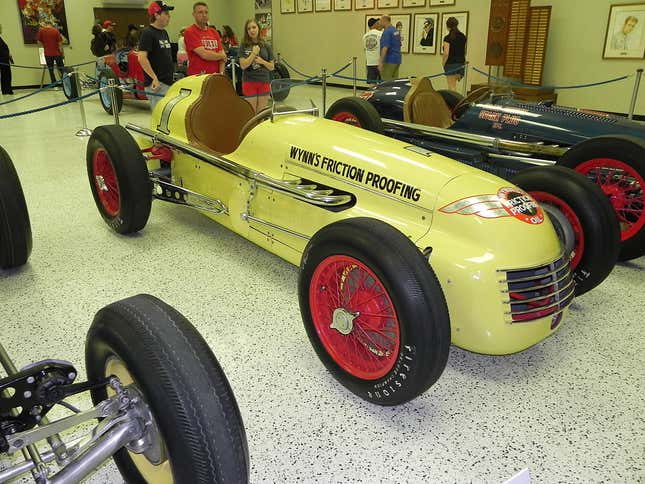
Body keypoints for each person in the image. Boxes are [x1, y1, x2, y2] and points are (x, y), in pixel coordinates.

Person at [138, 1, 175, 111]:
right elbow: (141, 57)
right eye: (166, 13)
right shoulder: (147, 33)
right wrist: (154, 78)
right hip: (157, 84)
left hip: (167, 82)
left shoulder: (164, 32)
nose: (169, 16)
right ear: (156, 15)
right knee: (159, 117)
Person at [239, 18, 274, 113]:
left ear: (258, 28)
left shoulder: (266, 46)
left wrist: (262, 61)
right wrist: (253, 54)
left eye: (254, 27)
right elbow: (243, 65)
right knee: (251, 112)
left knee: (261, 112)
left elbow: (272, 66)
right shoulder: (243, 45)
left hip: (264, 81)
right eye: (249, 28)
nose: (252, 30)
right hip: (249, 81)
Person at [184, 2, 227, 76]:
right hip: (198, 77)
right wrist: (221, 56)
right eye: (200, 12)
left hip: (215, 77)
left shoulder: (214, 32)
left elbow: (222, 57)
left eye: (206, 12)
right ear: (193, 14)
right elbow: (204, 54)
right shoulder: (190, 31)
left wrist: (221, 74)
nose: (204, 15)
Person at [442, 16, 467, 91]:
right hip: (461, 64)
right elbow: (464, 51)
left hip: (451, 64)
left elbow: (446, 53)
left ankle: (454, 103)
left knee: (451, 87)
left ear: (447, 26)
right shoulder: (463, 36)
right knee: (454, 86)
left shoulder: (448, 38)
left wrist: (443, 63)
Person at [37, 21, 65, 85]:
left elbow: (38, 42)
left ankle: (54, 83)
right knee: (61, 69)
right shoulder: (55, 31)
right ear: (51, 24)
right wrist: (62, 53)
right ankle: (64, 82)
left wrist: (45, 45)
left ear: (46, 24)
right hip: (57, 53)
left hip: (47, 53)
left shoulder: (41, 31)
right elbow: (60, 43)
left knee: (51, 70)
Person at [378, 15, 402, 81]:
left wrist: (380, 62)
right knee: (394, 82)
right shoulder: (395, 31)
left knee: (386, 83)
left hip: (389, 61)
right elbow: (399, 44)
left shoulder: (387, 32)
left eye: (380, 21)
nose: (379, 23)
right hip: (397, 60)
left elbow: (385, 47)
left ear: (384, 21)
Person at [363, 18, 382, 84]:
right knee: (382, 83)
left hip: (369, 62)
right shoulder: (381, 34)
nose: (379, 25)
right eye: (377, 23)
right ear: (374, 24)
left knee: (372, 83)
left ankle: (372, 94)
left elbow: (365, 49)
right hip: (380, 62)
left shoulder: (364, 36)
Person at [0, 27, 14, 95]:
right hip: (3, 60)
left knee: (5, 75)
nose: (1, 29)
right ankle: (7, 90)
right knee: (6, 75)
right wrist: (7, 54)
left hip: (4, 59)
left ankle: (6, 90)